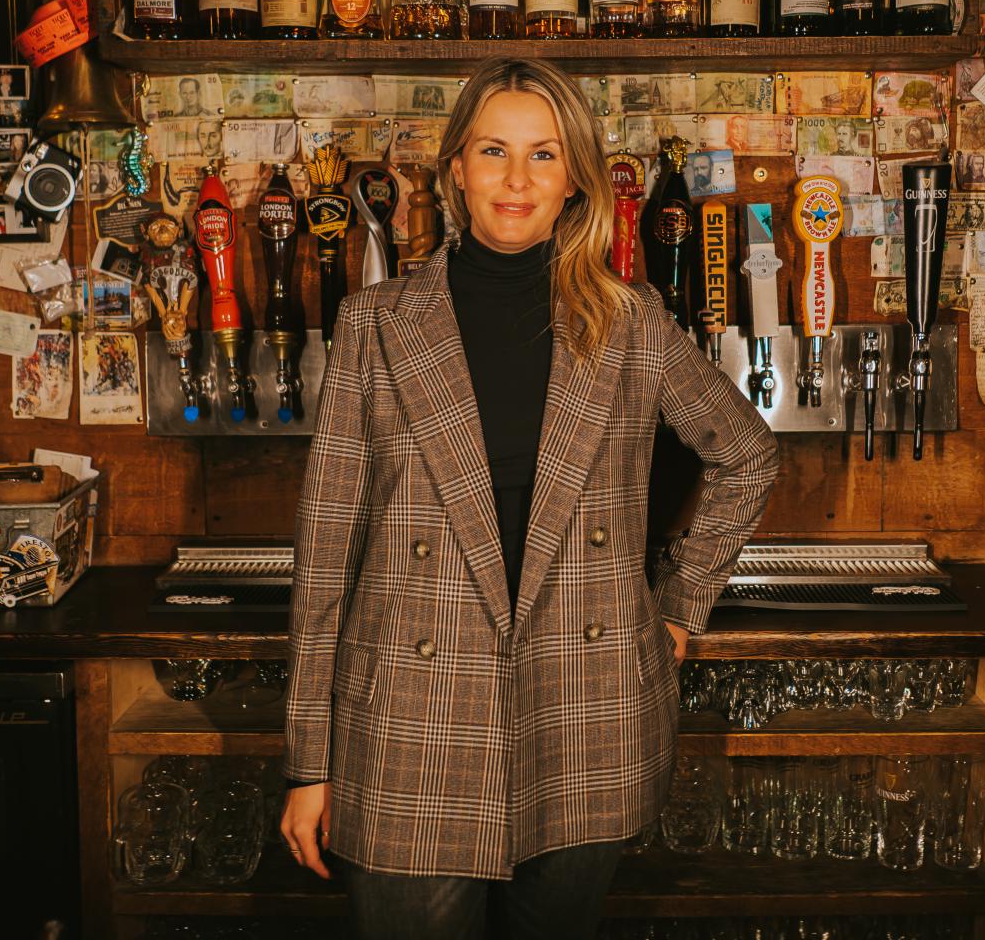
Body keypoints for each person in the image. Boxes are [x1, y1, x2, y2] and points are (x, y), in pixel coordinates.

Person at [279, 57, 778, 940]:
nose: (517, 180)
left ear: (576, 178)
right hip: (408, 721)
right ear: (454, 169)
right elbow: (325, 562)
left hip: (584, 709)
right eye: (494, 152)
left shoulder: (631, 323)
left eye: (544, 155)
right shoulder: (376, 324)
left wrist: (676, 606)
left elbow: (747, 454)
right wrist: (307, 764)